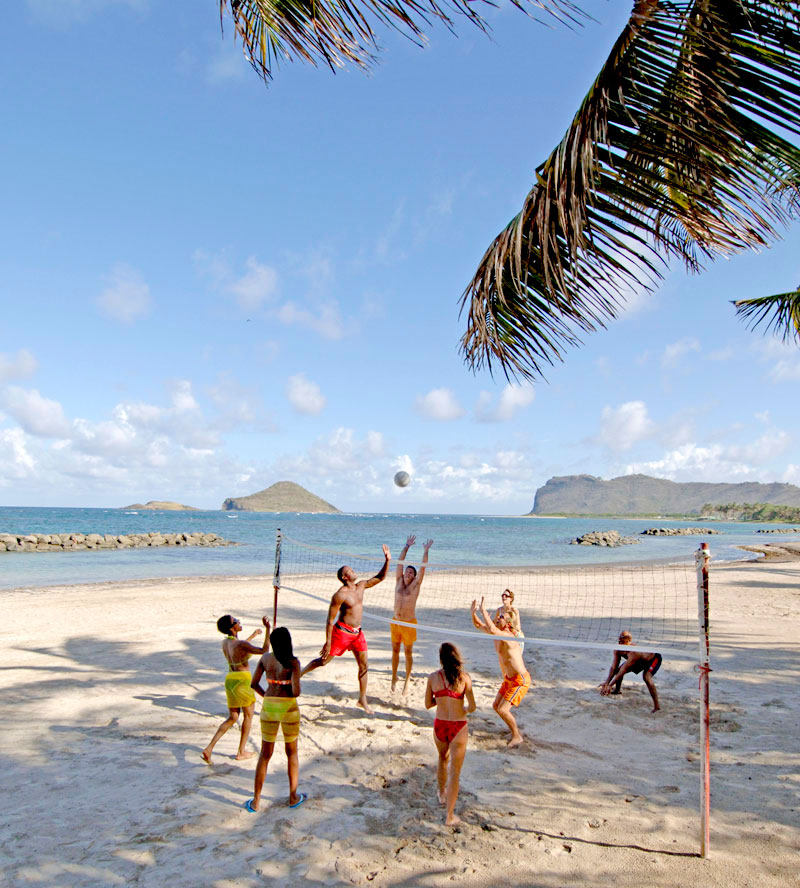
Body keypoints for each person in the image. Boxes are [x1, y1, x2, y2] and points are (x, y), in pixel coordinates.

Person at [301, 544, 391, 714]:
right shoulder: (340, 595)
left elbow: (380, 577)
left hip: (357, 633)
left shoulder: (361, 585)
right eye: (350, 570)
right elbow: (329, 620)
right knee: (323, 661)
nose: (354, 571)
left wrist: (387, 560)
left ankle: (362, 699)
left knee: (364, 665)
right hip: (341, 632)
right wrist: (328, 642)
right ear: (344, 576)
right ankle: (301, 673)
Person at [246, 622, 305, 811]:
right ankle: (293, 796)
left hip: (270, 706)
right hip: (288, 707)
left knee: (265, 754)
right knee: (292, 753)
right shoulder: (293, 662)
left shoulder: (265, 659)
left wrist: (268, 696)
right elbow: (296, 692)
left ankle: (256, 800)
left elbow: (254, 684)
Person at [202, 614, 268, 763]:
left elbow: (240, 647)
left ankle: (209, 748)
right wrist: (268, 629)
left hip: (230, 680)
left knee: (233, 717)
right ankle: (241, 751)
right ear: (232, 628)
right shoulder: (241, 645)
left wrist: (253, 635)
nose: (239, 621)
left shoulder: (226, 643)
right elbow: (264, 650)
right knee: (248, 716)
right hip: (242, 680)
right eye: (236, 621)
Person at [471, 597, 531, 748]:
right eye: (498, 616)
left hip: (520, 680)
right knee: (496, 706)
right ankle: (513, 730)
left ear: (508, 623)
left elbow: (491, 628)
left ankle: (517, 736)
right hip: (509, 679)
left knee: (503, 709)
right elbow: (478, 625)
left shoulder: (509, 636)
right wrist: (473, 613)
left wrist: (484, 610)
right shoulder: (497, 633)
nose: (498, 617)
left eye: (501, 617)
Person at [391, 535, 433, 695]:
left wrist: (425, 551)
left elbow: (423, 567)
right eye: (406, 571)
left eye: (410, 572)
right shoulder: (398, 582)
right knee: (394, 651)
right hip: (395, 621)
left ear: (414, 576)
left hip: (409, 623)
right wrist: (406, 546)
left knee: (407, 652)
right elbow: (399, 563)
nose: (407, 573)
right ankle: (394, 677)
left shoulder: (416, 585)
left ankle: (407, 680)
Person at [600, 631, 662, 712]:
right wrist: (607, 683)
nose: (620, 643)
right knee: (618, 670)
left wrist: (610, 685)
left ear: (629, 641)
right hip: (638, 661)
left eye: (623, 642)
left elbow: (624, 670)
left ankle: (657, 706)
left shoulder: (634, 652)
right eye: (619, 641)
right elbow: (614, 668)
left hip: (652, 659)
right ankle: (617, 690)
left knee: (646, 677)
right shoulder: (617, 649)